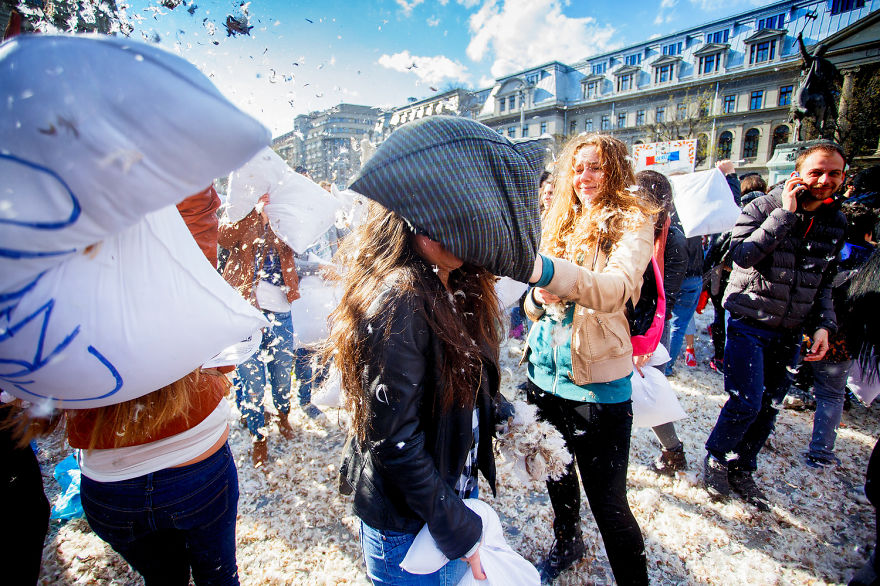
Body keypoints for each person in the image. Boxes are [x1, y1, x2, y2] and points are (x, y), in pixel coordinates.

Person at [329, 115, 544, 585]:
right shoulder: (401, 300)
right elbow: (395, 441)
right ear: (415, 219)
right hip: (410, 530)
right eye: (455, 219)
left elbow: (458, 382)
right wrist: (457, 529)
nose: (467, 232)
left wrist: (506, 417)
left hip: (443, 504)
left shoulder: (460, 283)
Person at [67, 186, 242, 585]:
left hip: (109, 484)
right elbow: (198, 204)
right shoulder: (176, 266)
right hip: (195, 465)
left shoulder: (56, 253)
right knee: (219, 577)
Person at [523, 134, 654, 584]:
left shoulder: (632, 219)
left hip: (594, 387)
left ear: (615, 169)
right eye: (577, 168)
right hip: (544, 378)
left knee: (609, 503)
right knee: (556, 471)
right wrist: (538, 298)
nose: (584, 177)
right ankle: (567, 540)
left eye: (595, 167)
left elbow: (616, 289)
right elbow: (532, 304)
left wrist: (550, 274)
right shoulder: (560, 218)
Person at [703, 142, 848, 510]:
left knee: (770, 405)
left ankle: (743, 465)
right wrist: (785, 214)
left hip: (791, 328)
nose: (824, 180)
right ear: (798, 173)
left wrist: (823, 326)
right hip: (749, 319)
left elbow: (824, 280)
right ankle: (717, 456)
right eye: (816, 171)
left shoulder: (836, 222)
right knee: (747, 401)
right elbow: (742, 255)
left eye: (833, 173)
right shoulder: (763, 207)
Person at [219, 191, 300, 468]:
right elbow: (223, 238)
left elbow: (300, 247)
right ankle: (258, 437)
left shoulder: (284, 223)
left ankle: (284, 415)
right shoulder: (244, 220)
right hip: (247, 314)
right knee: (252, 382)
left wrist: (280, 219)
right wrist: (251, 214)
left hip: (281, 313)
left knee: (281, 376)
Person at [635, 170, 690, 475]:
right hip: (624, 324)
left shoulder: (673, 239)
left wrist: (644, 339)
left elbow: (662, 297)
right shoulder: (628, 230)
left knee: (651, 393)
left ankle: (673, 452)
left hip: (651, 330)